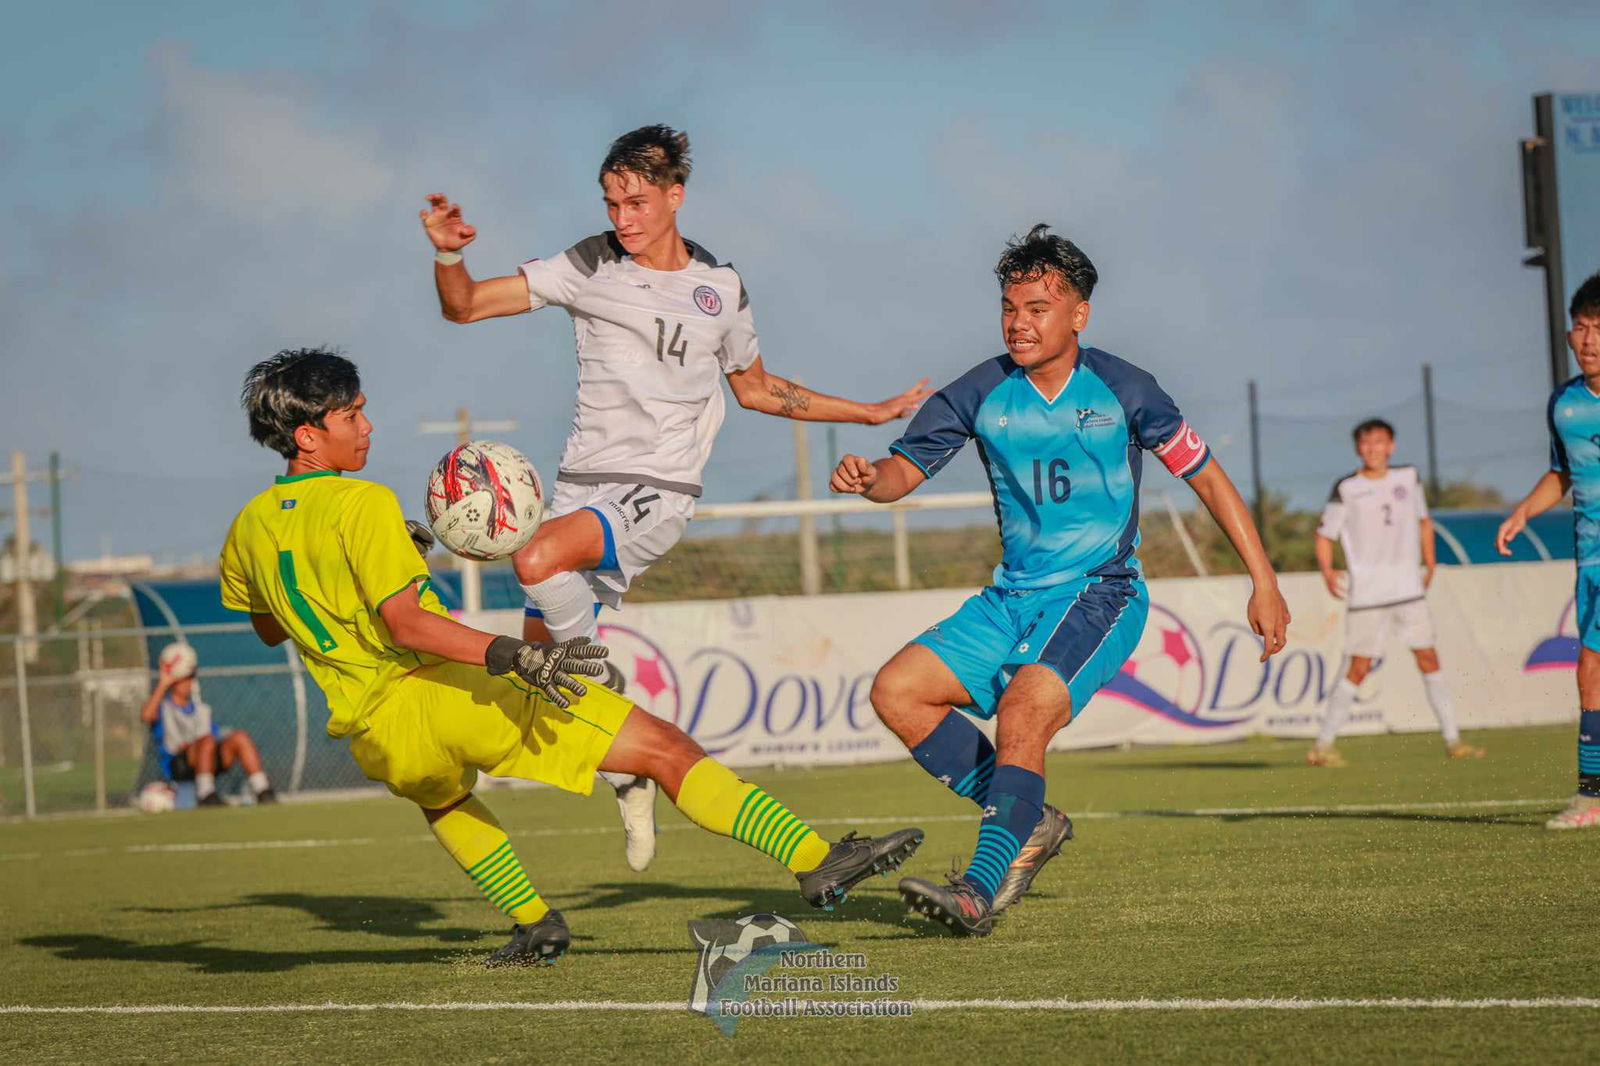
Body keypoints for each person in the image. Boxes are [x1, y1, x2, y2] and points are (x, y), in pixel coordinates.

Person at [219, 348, 921, 966]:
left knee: (445, 800)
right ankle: (817, 861)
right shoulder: (361, 502)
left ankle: (533, 923)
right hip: (452, 695)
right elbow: (406, 626)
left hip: (374, 735)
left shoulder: (247, 527)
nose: (366, 426)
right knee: (666, 749)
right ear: (308, 434)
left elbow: (271, 628)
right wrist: (513, 657)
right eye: (351, 416)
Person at [418, 124, 933, 871]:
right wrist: (447, 253)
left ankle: (596, 677)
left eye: (635, 202)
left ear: (674, 195)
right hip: (578, 492)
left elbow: (756, 388)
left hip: (657, 491)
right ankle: (628, 769)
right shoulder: (586, 264)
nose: (622, 218)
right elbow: (463, 307)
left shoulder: (720, 288)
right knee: (539, 700)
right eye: (611, 203)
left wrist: (869, 412)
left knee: (534, 556)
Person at [831, 225, 1290, 937]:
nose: (1020, 322)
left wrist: (1262, 579)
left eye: (1039, 307)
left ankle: (980, 891)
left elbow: (1208, 477)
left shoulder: (1125, 389)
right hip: (1010, 596)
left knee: (1022, 711)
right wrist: (869, 480)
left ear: (1079, 314)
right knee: (898, 691)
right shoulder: (979, 391)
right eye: (1011, 307)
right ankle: (1028, 820)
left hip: (1100, 591)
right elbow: (903, 473)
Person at [1308, 420, 1483, 766]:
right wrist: (1327, 571)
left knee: (1428, 658)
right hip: (1367, 594)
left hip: (1407, 589)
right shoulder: (1347, 487)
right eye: (1367, 443)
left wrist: (1430, 561)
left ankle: (1453, 740)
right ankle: (1323, 745)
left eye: (1380, 442)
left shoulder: (1408, 478)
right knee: (1358, 666)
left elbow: (1423, 520)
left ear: (1392, 446)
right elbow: (1324, 535)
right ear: (1358, 448)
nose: (1374, 449)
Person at [1497, 270, 1600, 831]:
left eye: (1598, 328)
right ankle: (1592, 796)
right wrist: (1522, 513)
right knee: (1591, 673)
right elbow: (1561, 474)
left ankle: (1592, 797)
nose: (1587, 340)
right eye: (1580, 328)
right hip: (1592, 558)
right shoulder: (1564, 404)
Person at [139, 643, 276, 805]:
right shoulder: (163, 707)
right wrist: (164, 682)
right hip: (179, 765)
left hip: (206, 757)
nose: (188, 683)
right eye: (182, 679)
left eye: (190, 678)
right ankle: (206, 794)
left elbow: (213, 737)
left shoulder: (201, 710)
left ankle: (262, 790)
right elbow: (147, 716)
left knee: (239, 737)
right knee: (206, 741)